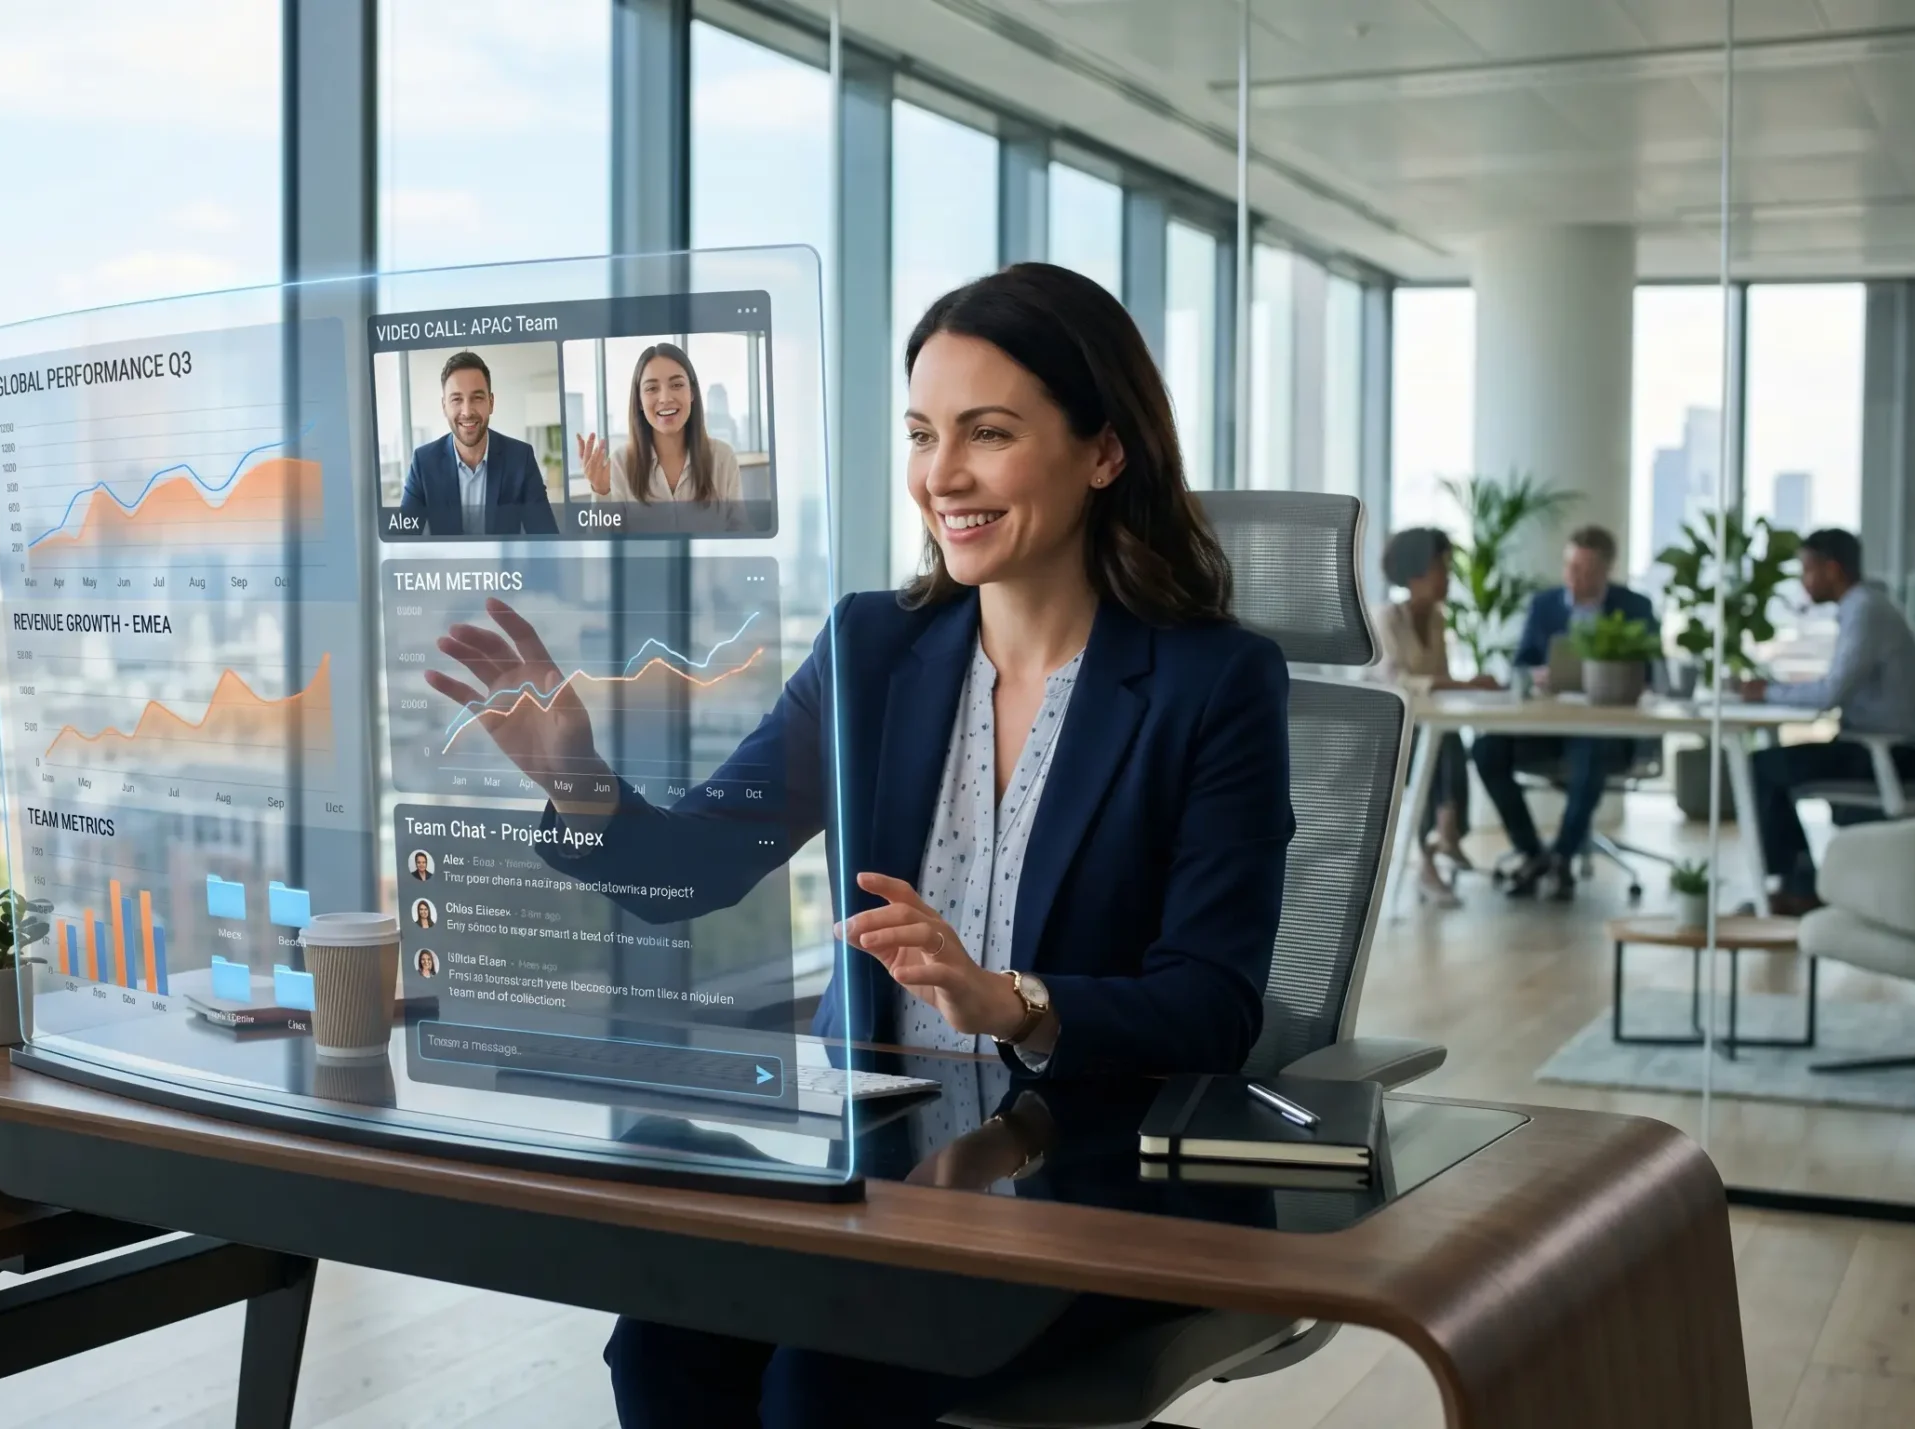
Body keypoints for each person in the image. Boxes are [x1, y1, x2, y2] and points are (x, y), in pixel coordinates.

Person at [422, 263, 1292, 1427]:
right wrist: (579, 777)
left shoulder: (1212, 683)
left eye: (989, 433)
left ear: (1104, 451)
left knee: (820, 1383)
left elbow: (1215, 1004)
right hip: (878, 1165)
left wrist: (1013, 1002)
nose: (942, 476)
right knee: (664, 1343)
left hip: (1087, 1179)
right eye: (925, 433)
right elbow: (698, 870)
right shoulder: (876, 647)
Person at [1740, 528, 1915, 914]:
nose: (1803, 581)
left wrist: (1766, 693)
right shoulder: (1867, 606)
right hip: (1884, 746)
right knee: (1770, 764)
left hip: (1890, 753)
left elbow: (1830, 694)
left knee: (1761, 768)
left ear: (1832, 569)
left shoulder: (1865, 610)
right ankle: (1798, 883)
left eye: (1807, 570)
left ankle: (1799, 888)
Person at [1470, 525, 1658, 901]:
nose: (1575, 577)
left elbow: (1651, 672)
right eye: (1570, 567)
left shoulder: (1635, 607)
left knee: (1592, 752)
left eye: (1586, 570)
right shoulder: (1545, 605)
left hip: (1605, 733)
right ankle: (1531, 852)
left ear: (1607, 570)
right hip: (1545, 730)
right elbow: (1520, 666)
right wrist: (1536, 675)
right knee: (1487, 749)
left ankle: (1562, 858)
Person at [1373, 527, 1499, 907]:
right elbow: (1399, 681)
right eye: (1439, 567)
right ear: (1414, 575)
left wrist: (1462, 685)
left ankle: (1440, 840)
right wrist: (1464, 683)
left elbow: (1437, 685)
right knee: (1435, 744)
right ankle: (1443, 837)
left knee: (1443, 740)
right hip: (1385, 734)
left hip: (1424, 728)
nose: (1447, 576)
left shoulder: (1437, 620)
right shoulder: (1386, 618)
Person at [575, 342, 746, 528]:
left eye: (677, 384)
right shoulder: (620, 462)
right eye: (651, 388)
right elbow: (603, 550)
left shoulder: (723, 457)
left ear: (692, 393)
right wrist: (601, 491)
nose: (665, 398)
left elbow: (741, 534)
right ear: (639, 401)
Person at [396, 351, 560, 536]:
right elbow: (401, 540)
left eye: (477, 397)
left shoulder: (521, 458)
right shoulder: (424, 462)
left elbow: (546, 538)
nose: (467, 411)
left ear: (491, 402)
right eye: (457, 399)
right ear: (444, 406)